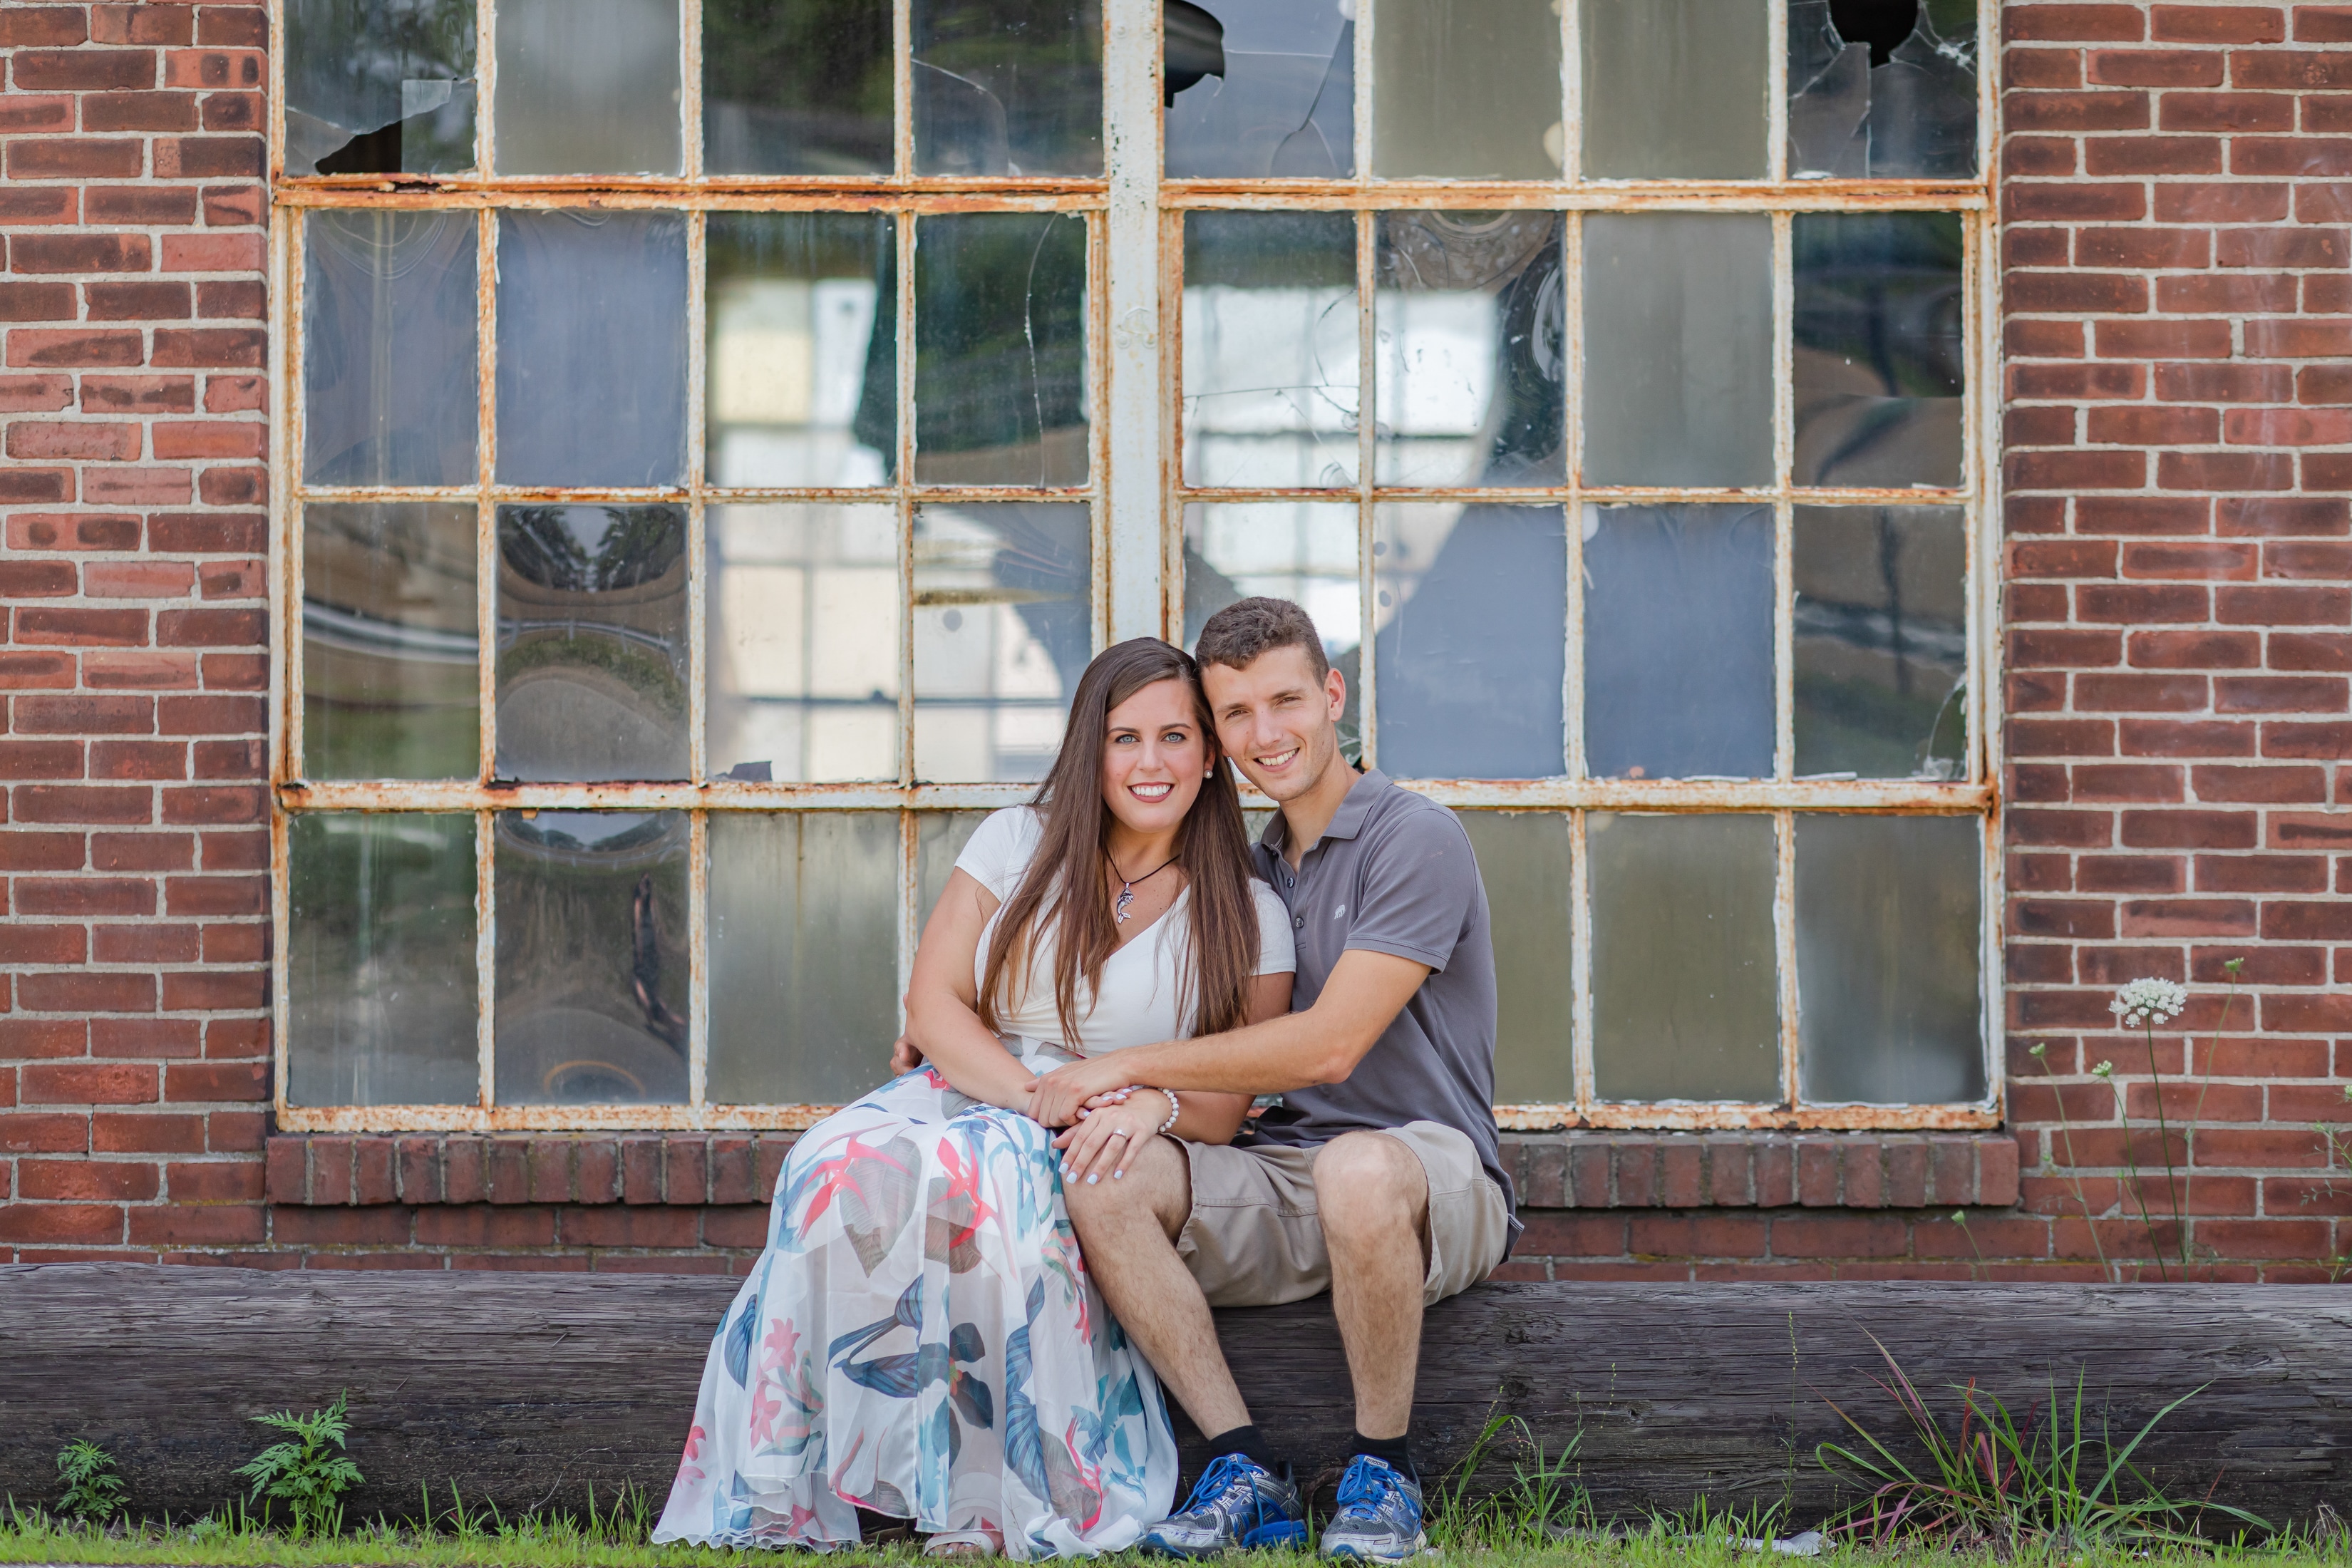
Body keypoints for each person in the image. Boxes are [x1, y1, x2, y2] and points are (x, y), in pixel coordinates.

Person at [655, 638, 1297, 1559]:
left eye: (1175, 737)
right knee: (833, 1161)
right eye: (1124, 738)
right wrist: (1038, 1097)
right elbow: (935, 1003)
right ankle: (807, 1484)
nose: (1150, 763)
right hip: (985, 1086)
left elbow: (1223, 1103)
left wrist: (1122, 1100)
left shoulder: (1248, 912)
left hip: (1127, 1124)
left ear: (1208, 754)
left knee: (989, 1181)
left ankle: (988, 1501)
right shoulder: (1016, 841)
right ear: (1091, 748)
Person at [1025, 597, 1515, 1564]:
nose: (1266, 734)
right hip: (1285, 1173)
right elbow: (1191, 1038)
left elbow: (1329, 1047)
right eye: (1236, 715)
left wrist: (1126, 1068)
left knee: (1360, 1172)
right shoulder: (1247, 877)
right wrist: (957, 1038)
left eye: (1285, 701)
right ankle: (1244, 1468)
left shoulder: (1413, 837)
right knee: (1102, 1174)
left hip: (1428, 1172)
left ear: (1333, 695)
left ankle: (1385, 1475)